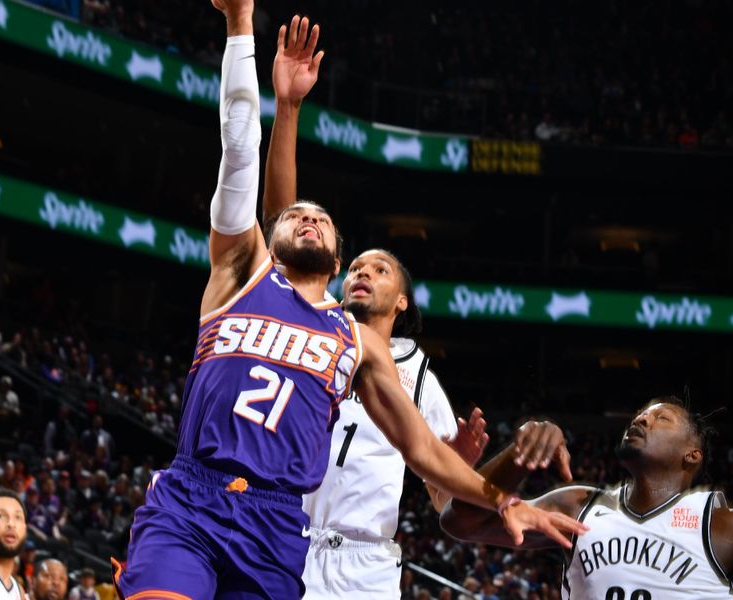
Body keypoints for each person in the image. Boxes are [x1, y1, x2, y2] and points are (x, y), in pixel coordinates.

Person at [113, 2, 585, 599]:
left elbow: (420, 450)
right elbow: (239, 151)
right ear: (277, 237)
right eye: (297, 217)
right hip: (194, 496)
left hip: (284, 527)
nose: (308, 219)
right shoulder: (242, 272)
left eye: (323, 219)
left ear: (334, 261)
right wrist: (241, 30)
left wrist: (501, 499)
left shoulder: (357, 341)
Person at [260, 19, 492, 597]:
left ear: (403, 300)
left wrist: (458, 468)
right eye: (356, 265)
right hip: (283, 536)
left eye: (380, 268)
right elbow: (280, 225)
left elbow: (444, 502)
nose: (363, 272)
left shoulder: (418, 376)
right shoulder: (309, 323)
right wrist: (287, 111)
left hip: (364, 563)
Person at [441, 396, 733, 599]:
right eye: (641, 415)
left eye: (661, 417)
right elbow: (460, 522)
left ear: (692, 454)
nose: (642, 419)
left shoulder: (718, 524)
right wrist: (520, 455)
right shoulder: (579, 506)